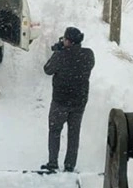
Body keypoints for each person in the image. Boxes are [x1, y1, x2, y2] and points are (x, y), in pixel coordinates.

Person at [40, 27, 95, 173]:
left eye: (64, 39)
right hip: (79, 101)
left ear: (68, 41)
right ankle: (70, 165)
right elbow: (87, 65)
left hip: (61, 100)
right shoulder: (88, 55)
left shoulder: (60, 56)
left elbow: (47, 70)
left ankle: (53, 162)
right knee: (74, 132)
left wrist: (58, 52)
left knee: (55, 130)